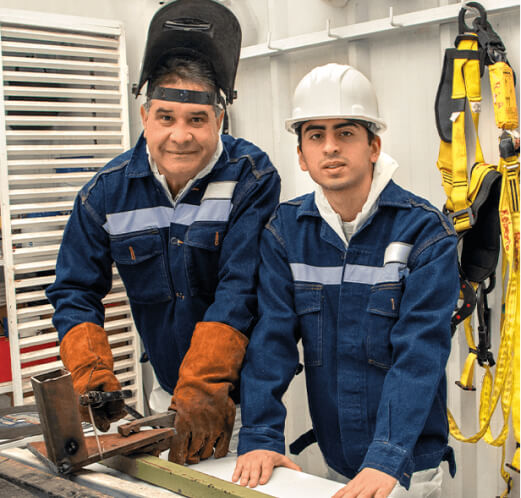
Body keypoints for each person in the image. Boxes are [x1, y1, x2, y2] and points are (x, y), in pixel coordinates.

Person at [46, 0, 280, 466]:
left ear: (219, 120)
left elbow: (240, 289)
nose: (180, 135)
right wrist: (91, 374)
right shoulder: (106, 193)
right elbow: (74, 289)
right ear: (144, 116)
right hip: (165, 391)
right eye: (166, 117)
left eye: (197, 120)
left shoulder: (251, 178)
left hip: (238, 397)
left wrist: (204, 387)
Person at [232, 63, 459, 497]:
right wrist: (260, 436)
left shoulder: (425, 233)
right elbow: (271, 342)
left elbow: (419, 354)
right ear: (302, 155)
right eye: (316, 135)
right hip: (336, 456)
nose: (331, 147)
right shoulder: (286, 233)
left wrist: (386, 459)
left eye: (346, 133)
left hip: (407, 464)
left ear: (374, 146)